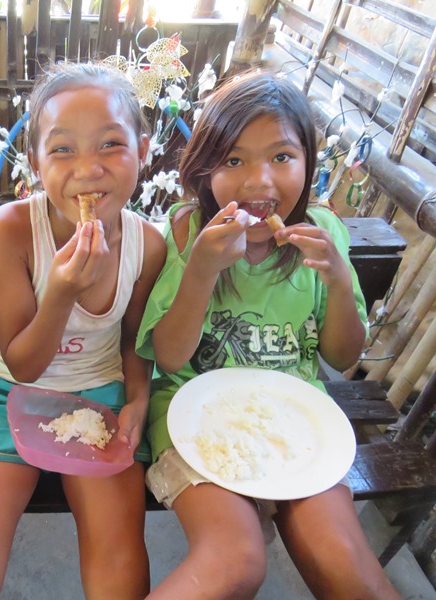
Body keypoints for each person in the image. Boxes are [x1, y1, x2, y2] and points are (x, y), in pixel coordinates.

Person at [136, 70, 401, 599]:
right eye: (234, 160)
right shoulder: (187, 231)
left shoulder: (325, 232)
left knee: (346, 562)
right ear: (205, 168)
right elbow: (168, 357)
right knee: (236, 561)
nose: (259, 180)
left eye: (281, 156)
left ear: (308, 161)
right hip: (192, 418)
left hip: (297, 422)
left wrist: (338, 279)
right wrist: (201, 270)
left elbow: (342, 355)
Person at [0, 62, 167, 599]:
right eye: (63, 149)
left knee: (121, 563)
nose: (88, 169)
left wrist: (138, 397)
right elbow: (23, 364)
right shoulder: (11, 231)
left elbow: (135, 338)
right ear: (36, 163)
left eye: (111, 144)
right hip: (9, 392)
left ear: (143, 150)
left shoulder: (147, 246)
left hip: (100, 395)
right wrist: (60, 292)